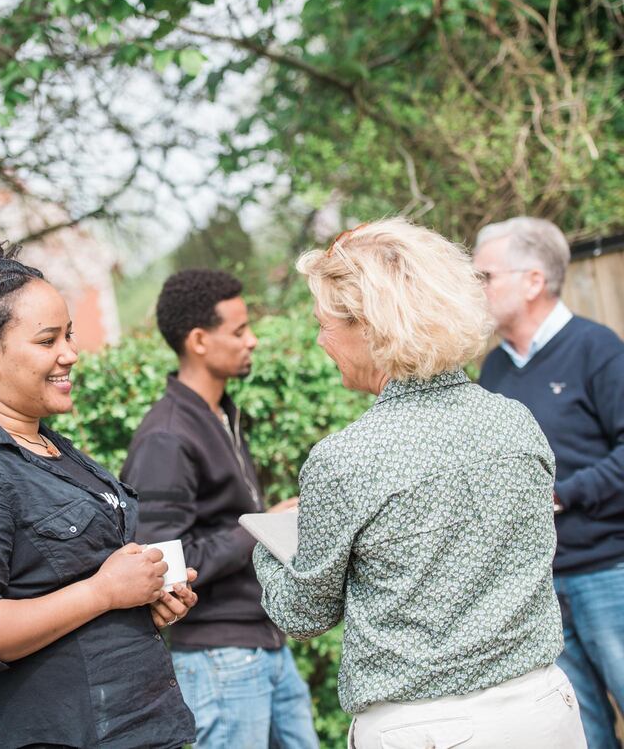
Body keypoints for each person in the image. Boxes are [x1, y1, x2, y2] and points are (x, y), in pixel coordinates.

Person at [251, 217, 587, 749]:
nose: (320, 341)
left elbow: (301, 612)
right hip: (543, 710)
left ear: (368, 325)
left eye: (324, 324)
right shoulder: (516, 421)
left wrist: (271, 544)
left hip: (427, 729)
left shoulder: (346, 460)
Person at [0, 228, 198, 749]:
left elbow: (75, 586)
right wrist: (101, 593)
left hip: (139, 727)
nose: (70, 354)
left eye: (69, 335)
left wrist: (144, 598)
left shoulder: (58, 452)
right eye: (48, 340)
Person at [121, 269, 319, 749]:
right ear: (199, 341)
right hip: (219, 658)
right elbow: (161, 563)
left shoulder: (220, 412)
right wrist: (264, 527)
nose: (252, 340)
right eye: (238, 330)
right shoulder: (167, 435)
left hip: (265, 645)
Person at [475, 216, 624, 749]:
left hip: (609, 573)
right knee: (583, 733)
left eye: (485, 277)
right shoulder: (491, 371)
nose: (477, 289)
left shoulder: (597, 348)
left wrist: (562, 494)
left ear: (533, 281)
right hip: (537, 589)